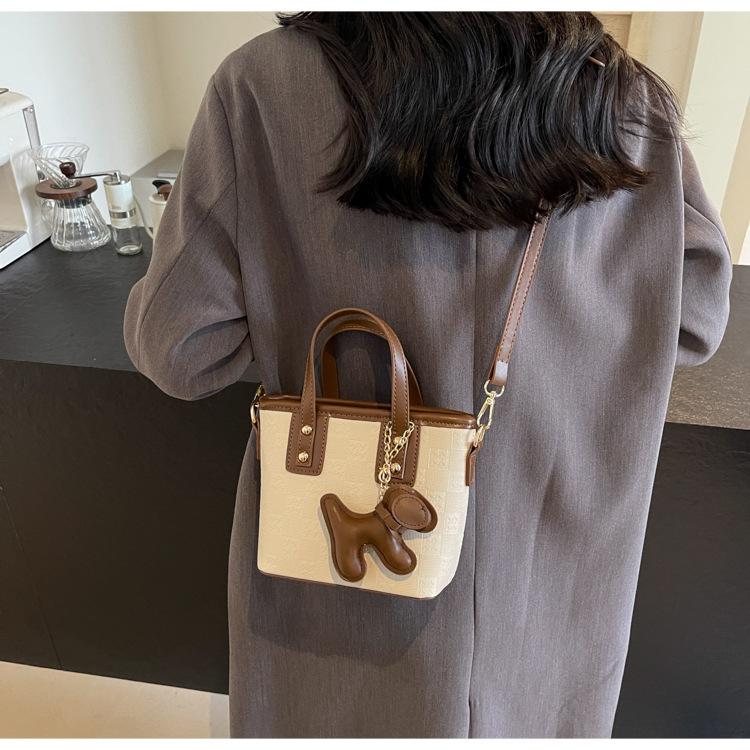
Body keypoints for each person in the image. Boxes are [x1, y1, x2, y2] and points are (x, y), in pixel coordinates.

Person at [123, 12, 732, 738]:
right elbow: (695, 320)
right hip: (548, 580)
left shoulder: (260, 84)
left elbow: (179, 348)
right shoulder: (624, 101)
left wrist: (288, 297)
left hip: (339, 600)